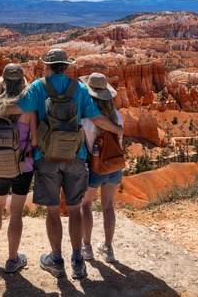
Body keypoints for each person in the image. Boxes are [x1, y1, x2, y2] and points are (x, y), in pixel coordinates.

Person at [16, 48, 124, 280]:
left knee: (53, 210)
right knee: (75, 209)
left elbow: (19, 108)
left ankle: (56, 260)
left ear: (47, 66)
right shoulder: (80, 88)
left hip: (46, 158)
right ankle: (77, 260)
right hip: (76, 156)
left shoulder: (37, 86)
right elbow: (96, 118)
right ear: (66, 66)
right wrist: (116, 128)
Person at [0, 63, 37, 273]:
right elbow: (36, 139)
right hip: (23, 166)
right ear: (22, 84)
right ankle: (13, 260)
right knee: (16, 213)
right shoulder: (28, 108)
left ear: (3, 84)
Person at [78, 73, 124, 263]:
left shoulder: (86, 119)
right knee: (108, 206)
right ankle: (108, 249)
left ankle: (86, 247)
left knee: (86, 205)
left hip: (94, 168)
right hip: (114, 165)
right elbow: (120, 140)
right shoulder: (118, 117)